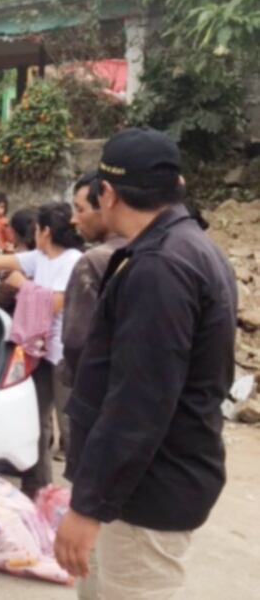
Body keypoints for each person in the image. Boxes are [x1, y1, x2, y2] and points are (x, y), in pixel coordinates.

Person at [55, 129, 237, 600]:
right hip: (145, 480)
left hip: (148, 490)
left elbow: (139, 401)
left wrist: (89, 507)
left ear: (108, 194)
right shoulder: (188, 246)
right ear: (175, 184)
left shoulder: (160, 265)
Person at [0, 203, 84, 497]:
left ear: (45, 231)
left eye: (38, 229)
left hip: (65, 356)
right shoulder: (41, 257)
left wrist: (23, 285)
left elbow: (57, 304)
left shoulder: (72, 260)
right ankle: (38, 490)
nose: (35, 234)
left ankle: (81, 499)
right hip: (40, 352)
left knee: (71, 425)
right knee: (36, 423)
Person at [54, 174, 128, 464]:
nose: (73, 219)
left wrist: (70, 374)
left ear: (107, 203)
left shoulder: (95, 261)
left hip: (98, 399)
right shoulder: (165, 250)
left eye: (80, 209)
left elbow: (75, 339)